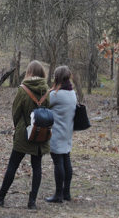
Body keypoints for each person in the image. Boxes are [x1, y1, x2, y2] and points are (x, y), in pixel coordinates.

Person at [0, 60, 50, 209]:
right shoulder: (47, 90)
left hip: (23, 132)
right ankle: (32, 202)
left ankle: (0, 198)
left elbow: (16, 113)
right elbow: (49, 111)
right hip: (41, 133)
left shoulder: (23, 89)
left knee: (13, 165)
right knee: (37, 167)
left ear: (29, 72)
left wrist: (19, 127)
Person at [45, 66, 77, 204]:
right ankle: (66, 192)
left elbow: (43, 103)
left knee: (58, 162)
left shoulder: (55, 95)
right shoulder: (72, 93)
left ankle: (58, 195)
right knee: (66, 160)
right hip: (68, 132)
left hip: (57, 133)